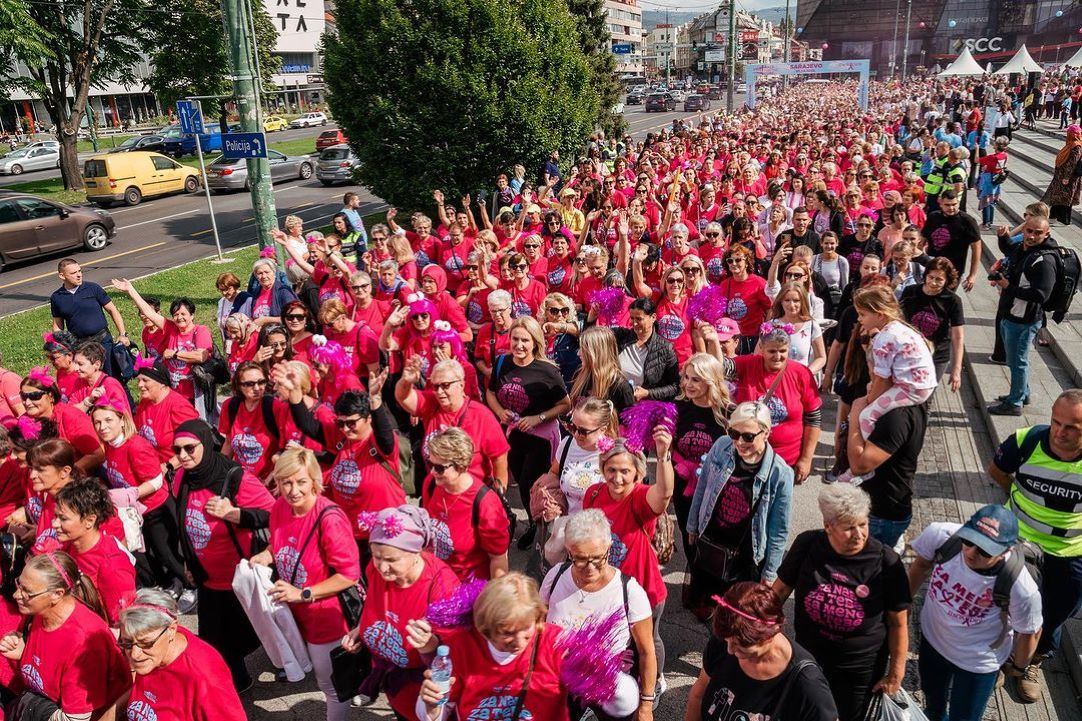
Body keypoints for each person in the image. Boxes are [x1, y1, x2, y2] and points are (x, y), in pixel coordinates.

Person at [773, 484, 910, 721]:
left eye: (863, 524)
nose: (859, 534)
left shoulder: (887, 562)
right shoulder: (807, 545)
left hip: (858, 672)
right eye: (849, 527)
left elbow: (898, 623)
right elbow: (780, 590)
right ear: (828, 526)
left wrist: (895, 674)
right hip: (809, 658)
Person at [251, 448, 362, 721]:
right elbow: (279, 543)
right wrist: (267, 554)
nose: (293, 490)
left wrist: (303, 593)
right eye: (286, 482)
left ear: (314, 479)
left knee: (331, 687)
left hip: (326, 618)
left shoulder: (329, 518)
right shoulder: (279, 508)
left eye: (301, 481)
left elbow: (349, 575)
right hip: (294, 612)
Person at [988, 389, 1082, 700]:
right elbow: (998, 471)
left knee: (1057, 610)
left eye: (1071, 427)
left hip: (1070, 552)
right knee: (1010, 604)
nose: (1059, 432)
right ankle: (1003, 659)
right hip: (1021, 542)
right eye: (1056, 422)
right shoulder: (1027, 440)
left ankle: (1031, 661)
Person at [907, 505, 1042, 720]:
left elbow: (1030, 632)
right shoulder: (942, 536)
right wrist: (902, 607)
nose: (971, 552)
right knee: (933, 706)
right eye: (969, 540)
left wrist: (1018, 667)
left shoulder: (1022, 587)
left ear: (1006, 550)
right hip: (933, 643)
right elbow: (921, 566)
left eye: (985, 550)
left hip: (977, 664)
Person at [172, 419, 274, 691]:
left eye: (190, 448)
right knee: (214, 641)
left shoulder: (234, 477)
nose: (183, 456)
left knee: (251, 635)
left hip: (240, 577)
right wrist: (188, 560)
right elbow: (182, 521)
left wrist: (234, 514)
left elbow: (276, 516)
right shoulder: (183, 478)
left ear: (205, 444)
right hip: (208, 577)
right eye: (177, 450)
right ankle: (236, 682)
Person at [342, 505, 459, 718]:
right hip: (393, 685)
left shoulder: (442, 586)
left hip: (425, 700)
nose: (382, 567)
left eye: (391, 560)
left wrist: (430, 644)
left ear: (416, 552)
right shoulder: (377, 571)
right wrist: (360, 628)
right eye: (377, 556)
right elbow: (374, 605)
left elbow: (457, 653)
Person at [541, 509, 657, 721]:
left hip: (611, 687)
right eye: (580, 559)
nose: (590, 568)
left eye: (598, 558)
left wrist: (646, 706)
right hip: (562, 680)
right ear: (568, 551)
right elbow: (538, 626)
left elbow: (647, 652)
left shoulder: (629, 592)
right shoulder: (555, 577)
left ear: (608, 547)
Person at [417, 572, 581, 721]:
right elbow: (438, 712)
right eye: (507, 633)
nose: (519, 642)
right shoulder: (463, 645)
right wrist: (431, 707)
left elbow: (601, 699)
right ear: (486, 628)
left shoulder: (557, 643)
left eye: (526, 628)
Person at [688, 402, 792, 616]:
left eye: (748, 437)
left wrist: (771, 571)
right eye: (733, 433)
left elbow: (779, 529)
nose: (739, 442)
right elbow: (703, 485)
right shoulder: (722, 446)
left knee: (737, 608)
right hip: (713, 538)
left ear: (766, 433)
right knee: (709, 593)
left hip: (746, 552)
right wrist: (692, 526)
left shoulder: (780, 473)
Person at [583, 434, 673, 682]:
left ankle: (654, 681)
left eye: (625, 471)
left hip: (644, 590)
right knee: (614, 641)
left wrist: (664, 455)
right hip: (608, 590)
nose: (617, 477)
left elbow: (664, 495)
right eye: (611, 469)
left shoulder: (639, 497)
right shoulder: (592, 494)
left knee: (647, 643)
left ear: (637, 473)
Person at [0, 551, 132, 720]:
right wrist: (23, 652)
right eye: (19, 584)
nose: (16, 595)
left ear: (57, 594)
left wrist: (32, 709)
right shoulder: (40, 613)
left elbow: (75, 718)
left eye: (27, 592)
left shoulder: (83, 642)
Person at [684, 581, 837, 721]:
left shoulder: (807, 685)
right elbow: (699, 693)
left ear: (770, 634)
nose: (730, 650)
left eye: (740, 645)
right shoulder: (725, 640)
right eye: (728, 641)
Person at [486, 316, 571, 548]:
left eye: (525, 340)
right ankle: (535, 521)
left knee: (529, 483)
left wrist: (538, 418)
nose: (519, 345)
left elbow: (566, 404)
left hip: (540, 438)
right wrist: (500, 411)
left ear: (535, 342)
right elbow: (491, 392)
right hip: (513, 434)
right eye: (515, 339)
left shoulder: (547, 371)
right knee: (522, 485)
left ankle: (542, 527)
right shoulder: (502, 362)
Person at [113, 588, 246, 721]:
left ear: (171, 629)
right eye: (127, 643)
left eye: (146, 643)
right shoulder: (153, 651)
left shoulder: (204, 677)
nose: (135, 655)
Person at [723, 325, 821, 482]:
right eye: (772, 351)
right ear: (761, 348)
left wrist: (806, 459)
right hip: (747, 456)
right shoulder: (748, 364)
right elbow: (717, 368)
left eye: (783, 351)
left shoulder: (801, 373)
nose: (778, 356)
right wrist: (710, 341)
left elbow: (813, 419)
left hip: (785, 460)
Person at [395, 356, 509, 490]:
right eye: (436, 386)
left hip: (471, 494)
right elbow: (403, 397)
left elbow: (499, 457)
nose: (439, 392)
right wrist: (406, 381)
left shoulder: (481, 415)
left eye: (445, 385)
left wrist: (499, 494)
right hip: (438, 490)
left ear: (461, 385)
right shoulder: (432, 404)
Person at [848, 285, 937, 450]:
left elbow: (881, 380)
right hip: (921, 384)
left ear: (880, 315)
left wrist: (868, 403)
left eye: (862, 314)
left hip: (912, 389)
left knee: (866, 415)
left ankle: (868, 456)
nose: (859, 319)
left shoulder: (884, 338)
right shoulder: (899, 327)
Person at [420, 427, 510, 580]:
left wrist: (494, 600)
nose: (433, 472)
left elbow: (498, 559)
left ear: (461, 466)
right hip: (436, 579)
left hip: (469, 588)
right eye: (430, 464)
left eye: (440, 468)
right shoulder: (431, 484)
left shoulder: (485, 503)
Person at [987, 216, 1056, 416]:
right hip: (1011, 311)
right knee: (1014, 358)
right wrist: (1002, 238)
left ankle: (1014, 403)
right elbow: (1010, 250)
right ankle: (1022, 393)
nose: (1031, 236)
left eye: (1037, 233)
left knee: (1017, 361)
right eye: (1029, 231)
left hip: (1025, 318)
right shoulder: (1025, 248)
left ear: (1046, 234)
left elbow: (1041, 295)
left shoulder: (1044, 261)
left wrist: (1009, 287)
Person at [112, 279, 214, 408]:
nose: (179, 317)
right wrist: (130, 290)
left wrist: (174, 354)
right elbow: (149, 312)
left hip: (195, 394)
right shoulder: (171, 328)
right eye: (176, 314)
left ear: (192, 315)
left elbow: (201, 356)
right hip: (173, 392)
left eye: (183, 314)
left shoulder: (200, 331)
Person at [51, 477, 136, 626]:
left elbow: (123, 625)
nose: (54, 524)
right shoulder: (68, 547)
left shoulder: (113, 566)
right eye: (55, 516)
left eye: (63, 519)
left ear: (89, 521)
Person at [50, 259, 130, 379]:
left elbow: (113, 310)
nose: (79, 275)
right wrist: (58, 347)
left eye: (80, 271)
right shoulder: (56, 298)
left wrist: (122, 334)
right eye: (73, 273)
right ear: (62, 275)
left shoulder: (93, 288)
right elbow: (58, 325)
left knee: (114, 378)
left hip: (103, 342)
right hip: (81, 347)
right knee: (90, 380)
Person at [900, 257, 965, 388]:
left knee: (926, 395)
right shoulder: (910, 292)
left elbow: (958, 336)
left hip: (937, 356)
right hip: (909, 353)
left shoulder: (953, 301)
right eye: (931, 277)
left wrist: (956, 369)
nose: (933, 283)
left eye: (939, 279)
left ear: (947, 281)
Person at [612, 298, 680, 402]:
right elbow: (595, 337)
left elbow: (675, 387)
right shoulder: (622, 336)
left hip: (644, 408)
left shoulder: (665, 349)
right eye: (632, 318)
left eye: (639, 319)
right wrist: (591, 318)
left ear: (653, 317)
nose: (634, 323)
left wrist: (648, 393)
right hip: (618, 402)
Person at [921, 190, 981, 293]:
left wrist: (972, 275)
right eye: (947, 205)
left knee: (945, 300)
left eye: (954, 204)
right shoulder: (933, 217)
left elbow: (976, 248)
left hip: (953, 270)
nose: (951, 208)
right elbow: (922, 239)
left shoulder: (967, 221)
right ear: (940, 203)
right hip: (931, 267)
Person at [1041, 124, 1082, 225]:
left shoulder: (1076, 146)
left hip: (1069, 178)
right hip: (1062, 176)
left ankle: (1063, 219)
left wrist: (1066, 177)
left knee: (1064, 198)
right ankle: (1057, 217)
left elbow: (1072, 164)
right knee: (1059, 197)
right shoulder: (1071, 144)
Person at [977, 135, 1010, 229]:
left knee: (986, 201)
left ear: (996, 145)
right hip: (996, 180)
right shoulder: (1005, 155)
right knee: (991, 201)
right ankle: (990, 221)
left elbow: (977, 160)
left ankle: (986, 223)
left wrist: (976, 149)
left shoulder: (992, 157)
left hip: (989, 180)